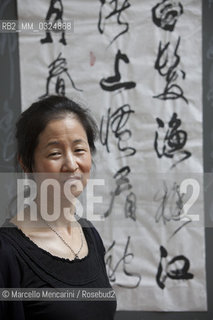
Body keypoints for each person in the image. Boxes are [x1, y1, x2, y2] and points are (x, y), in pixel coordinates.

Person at [0, 95, 117, 319]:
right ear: (26, 163)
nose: (71, 164)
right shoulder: (7, 252)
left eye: (79, 150)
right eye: (55, 153)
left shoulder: (90, 235)